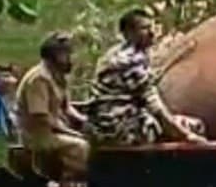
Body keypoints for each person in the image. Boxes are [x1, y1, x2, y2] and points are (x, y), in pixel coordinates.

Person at [88, 8, 207, 146]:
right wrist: (187, 135)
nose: (152, 33)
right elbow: (155, 107)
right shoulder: (133, 61)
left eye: (152, 27)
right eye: (144, 28)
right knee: (194, 126)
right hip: (120, 131)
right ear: (129, 33)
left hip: (99, 127)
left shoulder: (113, 54)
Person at [15, 32, 90, 176]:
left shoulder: (58, 76)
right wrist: (71, 132)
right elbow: (40, 116)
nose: (70, 58)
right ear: (55, 55)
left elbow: (66, 107)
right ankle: (69, 184)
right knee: (81, 146)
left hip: (55, 129)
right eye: (67, 54)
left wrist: (84, 120)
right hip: (38, 135)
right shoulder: (39, 78)